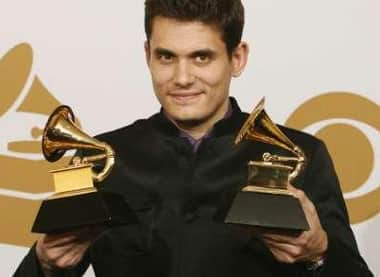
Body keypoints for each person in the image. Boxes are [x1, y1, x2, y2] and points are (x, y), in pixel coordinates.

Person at [15, 0, 373, 276]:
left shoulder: (304, 155)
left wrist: (320, 252)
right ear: (147, 56)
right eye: (166, 57)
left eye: (201, 57)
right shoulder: (99, 158)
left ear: (237, 58)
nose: (182, 77)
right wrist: (45, 263)